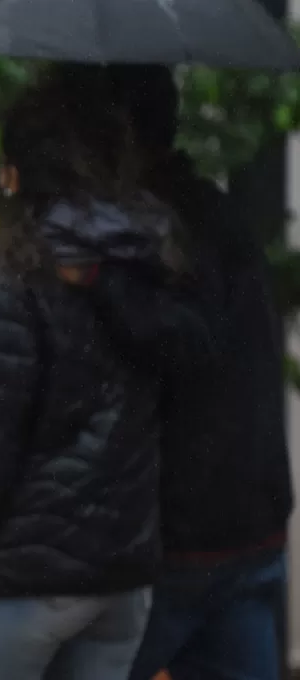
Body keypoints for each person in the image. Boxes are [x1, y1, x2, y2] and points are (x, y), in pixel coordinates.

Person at [0, 69, 212, 680]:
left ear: (16, 176)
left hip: (21, 586)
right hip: (122, 581)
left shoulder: (13, 285)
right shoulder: (152, 265)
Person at [102, 64, 294, 680]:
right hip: (254, 520)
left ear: (119, 134)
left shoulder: (147, 229)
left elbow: (176, 340)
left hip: (186, 534)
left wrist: (96, 281)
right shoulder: (217, 211)